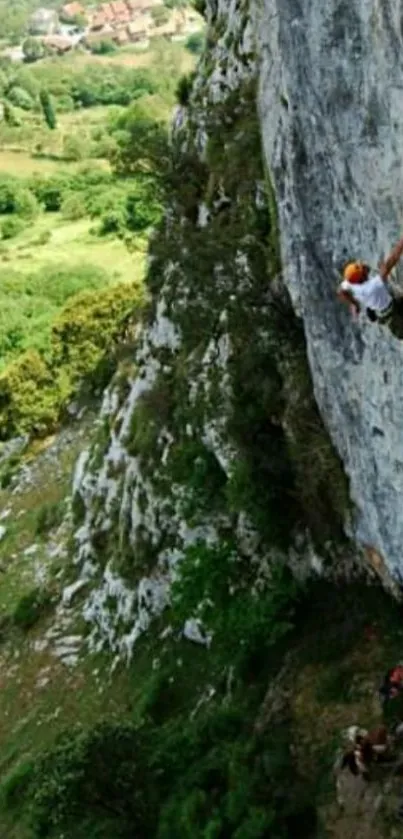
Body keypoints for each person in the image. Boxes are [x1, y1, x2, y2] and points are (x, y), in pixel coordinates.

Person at [337, 232, 403, 338]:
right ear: (362, 278)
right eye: (362, 268)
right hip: (391, 314)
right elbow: (394, 258)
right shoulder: (373, 286)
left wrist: (354, 304)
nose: (363, 265)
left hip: (379, 307)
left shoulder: (350, 284)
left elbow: (340, 291)